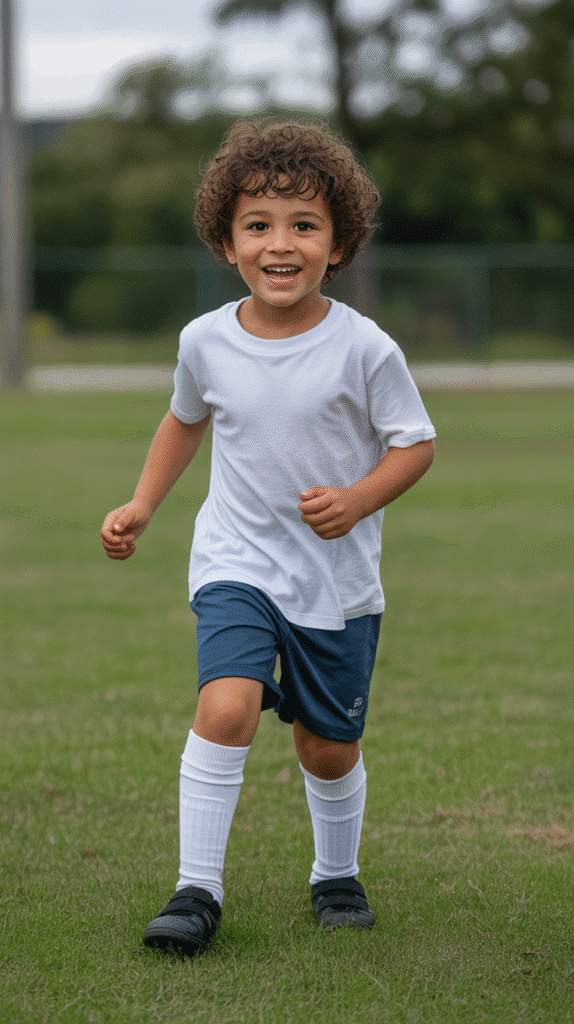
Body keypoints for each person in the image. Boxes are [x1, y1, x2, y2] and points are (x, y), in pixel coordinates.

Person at [101, 118, 436, 957]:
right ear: (226, 240)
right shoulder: (205, 340)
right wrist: (144, 503)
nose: (279, 244)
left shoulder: (366, 348)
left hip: (336, 582)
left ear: (339, 242)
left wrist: (357, 501)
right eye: (258, 225)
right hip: (236, 562)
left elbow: (416, 444)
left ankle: (335, 876)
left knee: (327, 748)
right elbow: (184, 422)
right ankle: (196, 890)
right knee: (226, 706)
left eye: (304, 225)